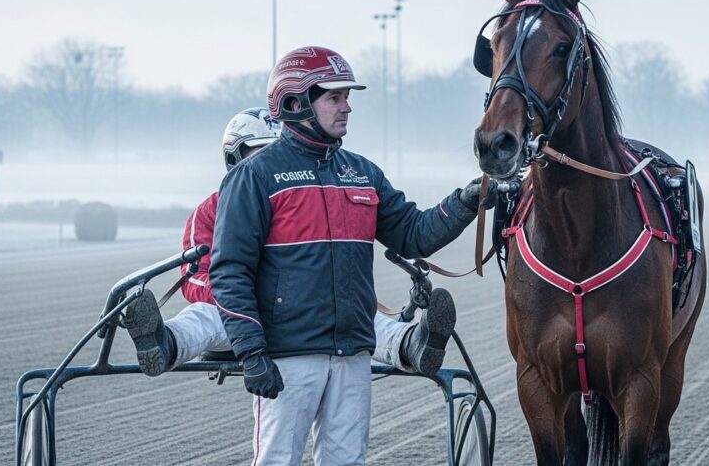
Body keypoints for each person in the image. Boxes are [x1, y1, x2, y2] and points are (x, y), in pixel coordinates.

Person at [209, 46, 494, 465]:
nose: (347, 107)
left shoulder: (363, 172)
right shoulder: (255, 176)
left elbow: (414, 235)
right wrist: (251, 352)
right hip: (288, 359)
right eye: (335, 97)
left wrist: (466, 201)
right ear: (293, 103)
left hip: (352, 357)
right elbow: (230, 271)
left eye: (348, 96)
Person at [122, 107, 460, 379]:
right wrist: (254, 303)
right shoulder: (210, 212)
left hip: (307, 315)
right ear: (234, 159)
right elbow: (197, 279)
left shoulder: (308, 199)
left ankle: (411, 344)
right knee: (203, 316)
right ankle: (163, 344)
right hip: (241, 319)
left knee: (353, 313)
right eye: (261, 154)